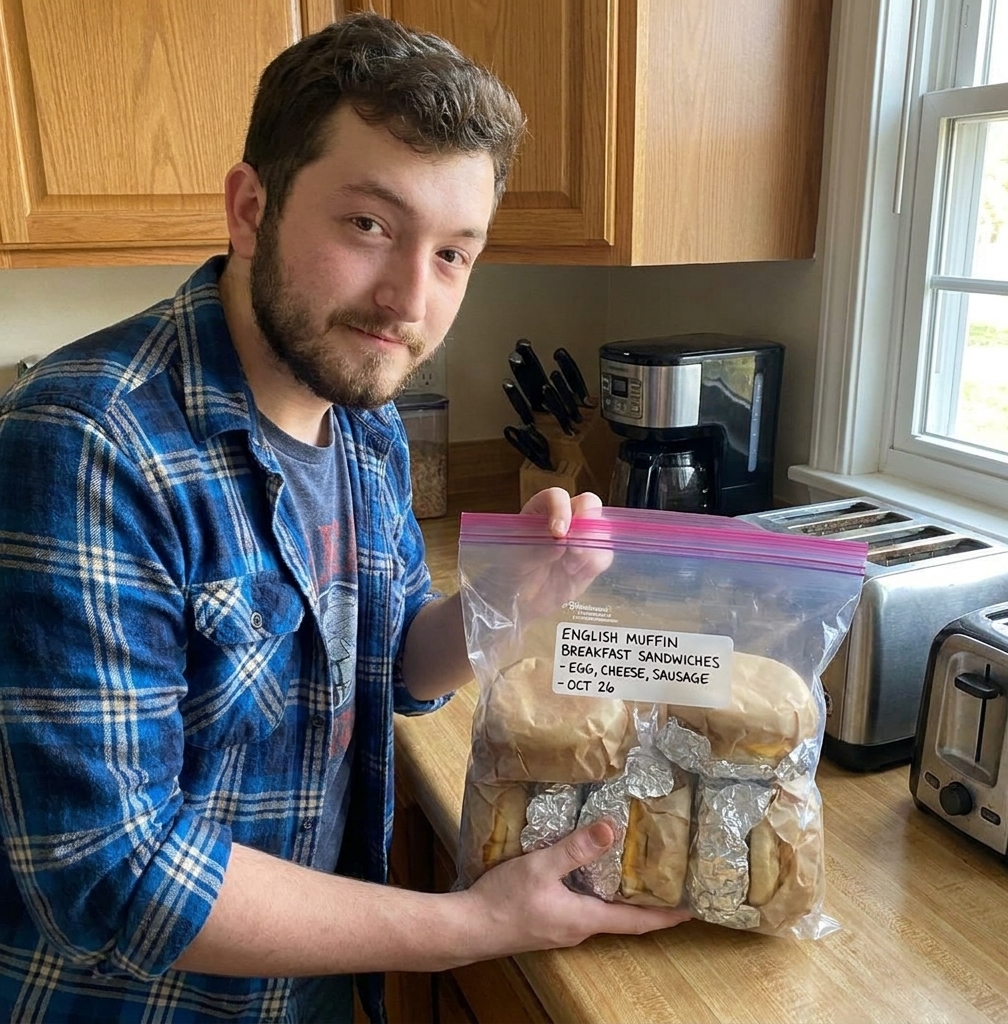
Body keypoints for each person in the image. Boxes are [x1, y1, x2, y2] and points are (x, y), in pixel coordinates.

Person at [0, 13, 687, 1024]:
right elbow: (112, 874)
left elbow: (393, 667)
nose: (411, 297)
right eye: (370, 224)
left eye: (454, 252)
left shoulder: (364, 425)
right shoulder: (87, 443)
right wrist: (476, 923)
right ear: (250, 208)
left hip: (309, 991)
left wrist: (500, 606)